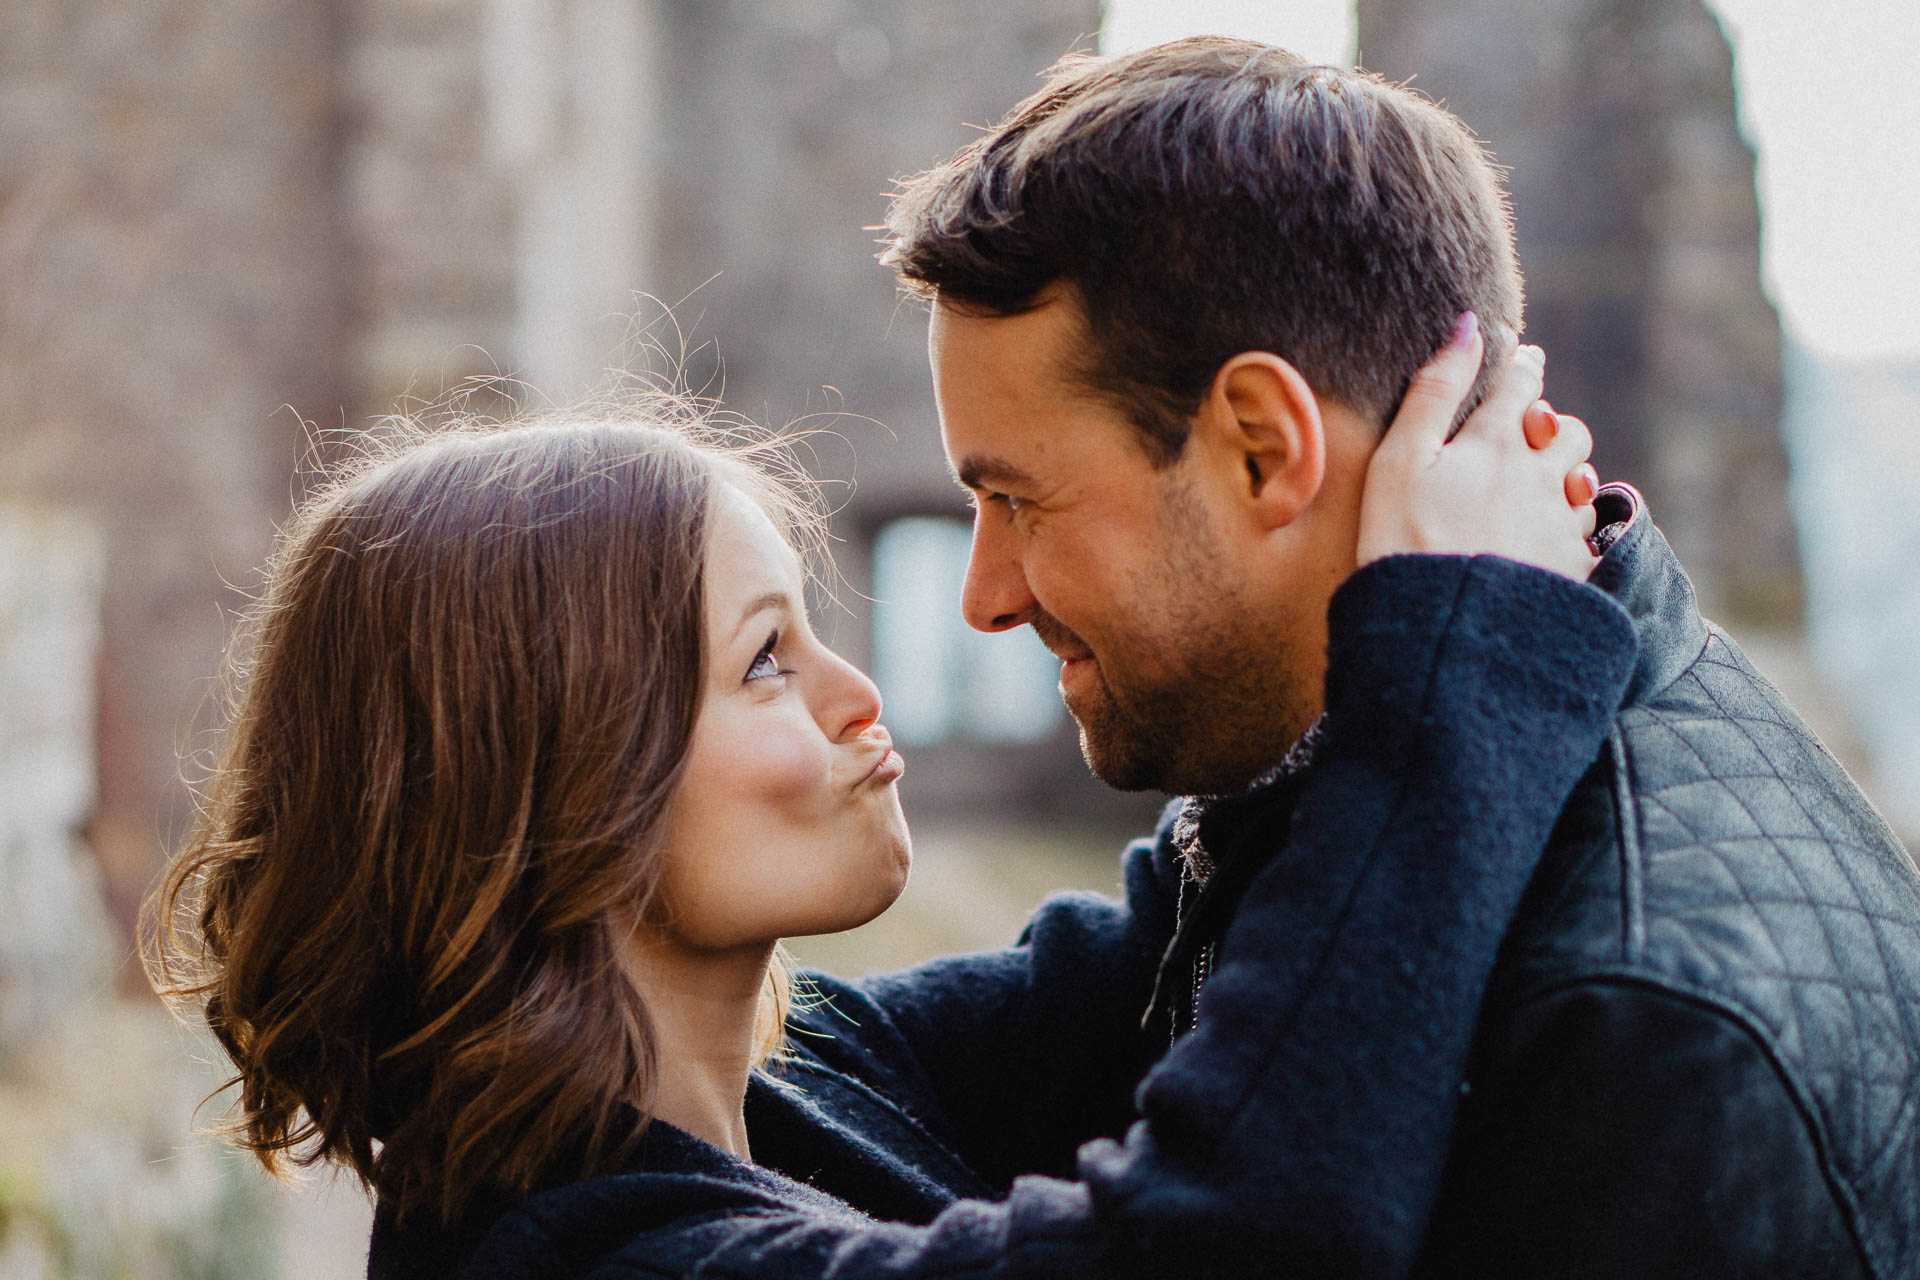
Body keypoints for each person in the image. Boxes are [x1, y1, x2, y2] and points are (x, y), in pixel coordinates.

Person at [147, 328, 1630, 1277]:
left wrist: (1367, 573)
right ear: (565, 788)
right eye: (767, 662)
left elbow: (1191, 952)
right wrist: (1467, 654)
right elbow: (1242, 1240)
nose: (864, 695)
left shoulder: (779, 1092)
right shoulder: (588, 1261)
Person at [881, 35, 1920, 1279]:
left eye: (1019, 500)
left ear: (1264, 450)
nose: (984, 598)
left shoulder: (1637, 1030)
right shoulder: (1322, 776)